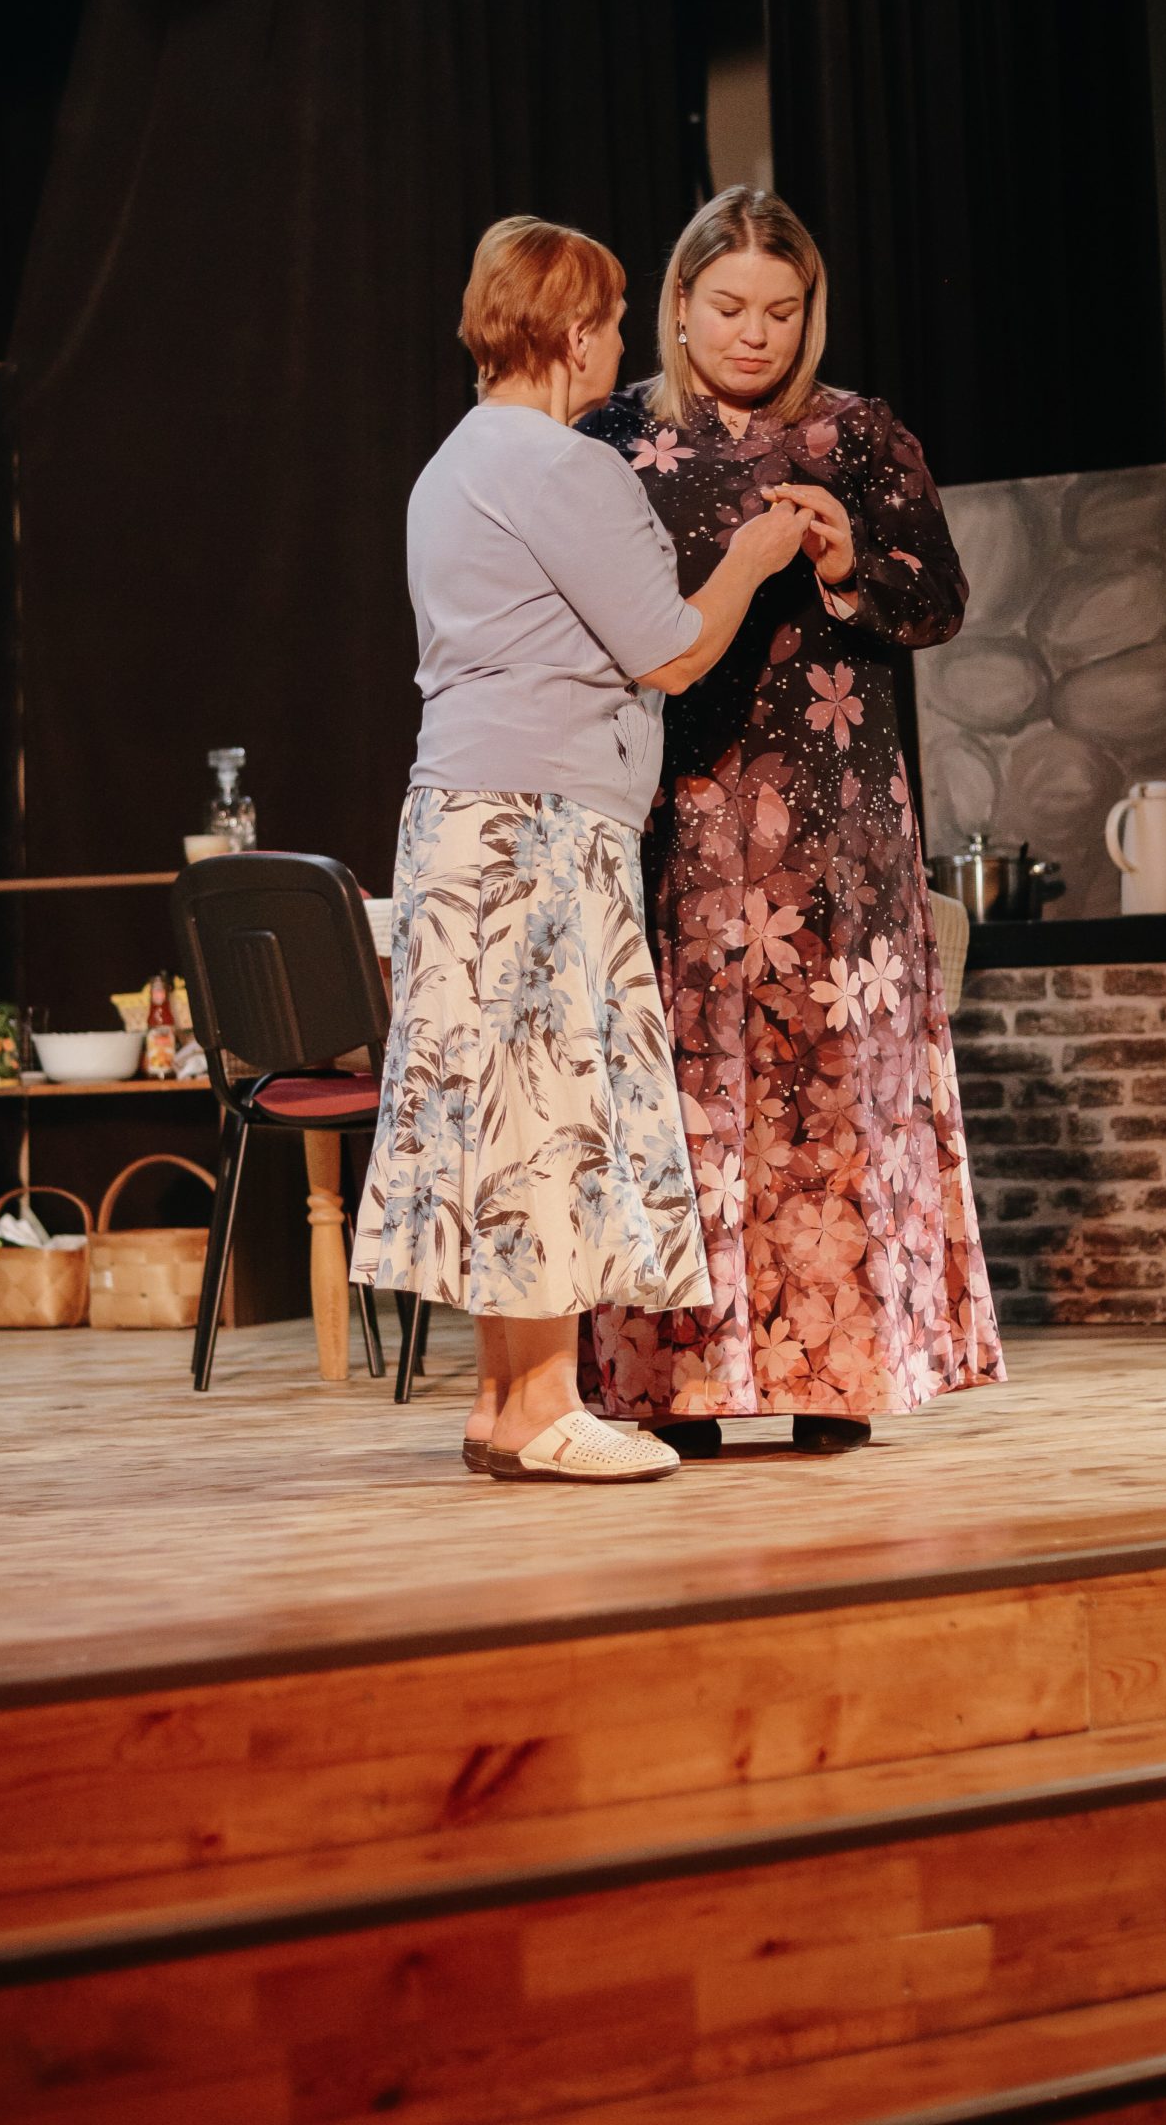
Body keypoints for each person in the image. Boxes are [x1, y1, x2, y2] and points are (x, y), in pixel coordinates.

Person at [349, 214, 805, 1482]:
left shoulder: (451, 462)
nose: (615, 344)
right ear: (565, 334)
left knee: (494, 1102)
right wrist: (754, 556)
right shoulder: (560, 465)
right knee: (546, 1102)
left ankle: (503, 1400)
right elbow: (669, 648)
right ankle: (547, 1402)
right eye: (604, 322)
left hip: (462, 817)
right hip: (539, 823)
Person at [577, 187, 1005, 1454]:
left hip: (835, 836)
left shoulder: (856, 434)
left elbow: (939, 600)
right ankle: (677, 1382)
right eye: (728, 307)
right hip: (674, 815)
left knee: (828, 1092)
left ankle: (834, 1372)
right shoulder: (613, 437)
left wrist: (847, 564)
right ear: (680, 303)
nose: (753, 334)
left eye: (779, 310)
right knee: (683, 1092)